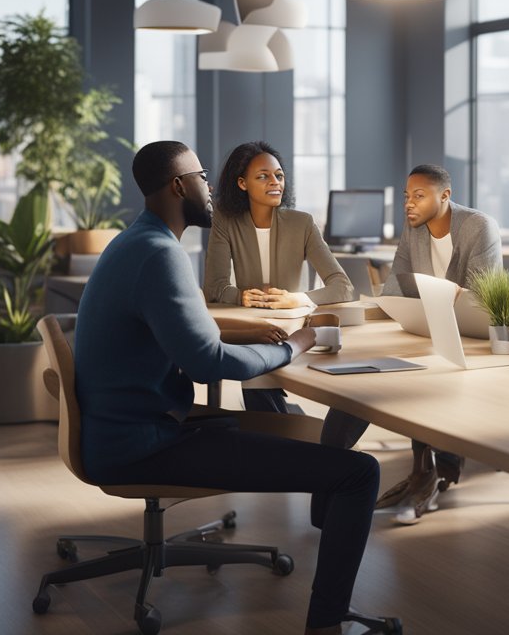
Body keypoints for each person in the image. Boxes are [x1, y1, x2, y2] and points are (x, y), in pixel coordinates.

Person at [76, 141, 395, 635]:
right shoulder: (160, 254)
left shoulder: (139, 242)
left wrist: (250, 332)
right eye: (201, 176)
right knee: (358, 473)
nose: (209, 187)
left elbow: (185, 329)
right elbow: (207, 364)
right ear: (179, 186)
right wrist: (297, 344)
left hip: (128, 428)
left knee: (299, 437)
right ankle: (327, 625)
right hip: (144, 445)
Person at [318, 164, 502, 525]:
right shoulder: (414, 229)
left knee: (416, 378)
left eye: (418, 195)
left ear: (445, 196)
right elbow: (394, 290)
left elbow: (482, 302)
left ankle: (429, 475)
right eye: (406, 196)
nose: (408, 204)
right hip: (425, 334)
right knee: (356, 387)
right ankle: (328, 498)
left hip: (471, 343)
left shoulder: (478, 227)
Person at [204, 141, 353, 413]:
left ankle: (280, 434)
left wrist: (295, 299)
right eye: (263, 176)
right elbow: (214, 287)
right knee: (257, 386)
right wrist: (241, 295)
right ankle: (277, 433)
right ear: (242, 183)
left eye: (279, 175)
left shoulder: (302, 223)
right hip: (251, 329)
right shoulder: (225, 221)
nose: (275, 182)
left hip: (293, 329)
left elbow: (342, 287)